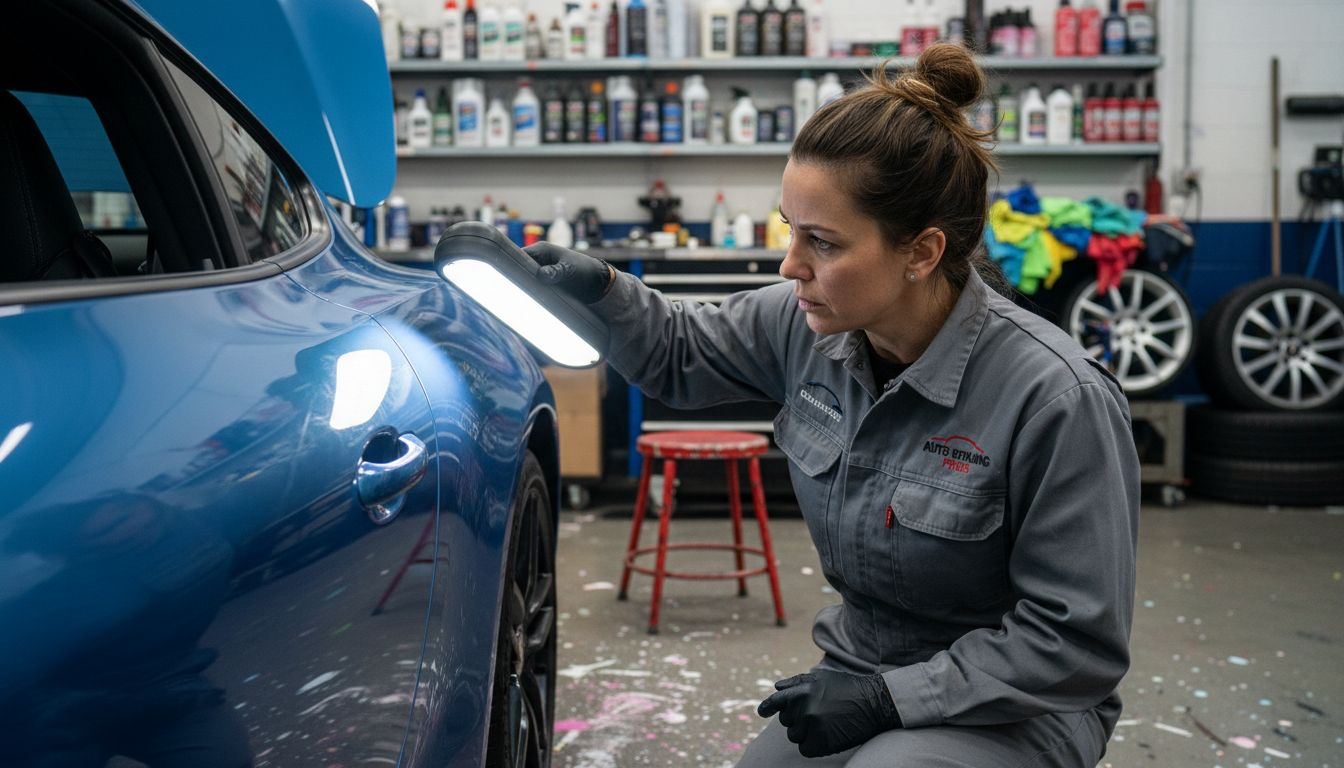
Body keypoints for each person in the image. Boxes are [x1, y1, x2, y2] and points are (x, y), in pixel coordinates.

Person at [525, 43, 1140, 767]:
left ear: (921, 252)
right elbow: (679, 351)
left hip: (1019, 705)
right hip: (860, 668)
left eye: (821, 241)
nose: (792, 266)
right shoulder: (808, 323)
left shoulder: (1055, 397)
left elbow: (1073, 643)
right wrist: (601, 288)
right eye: (792, 230)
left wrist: (891, 701)